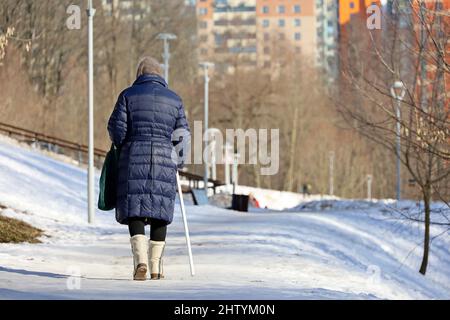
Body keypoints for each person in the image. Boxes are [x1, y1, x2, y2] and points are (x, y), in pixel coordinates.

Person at [107, 56, 190, 281]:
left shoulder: (127, 95)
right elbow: (182, 134)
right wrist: (180, 160)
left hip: (133, 156)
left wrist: (123, 143)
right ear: (160, 74)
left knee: (135, 206)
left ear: (139, 74)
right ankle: (156, 267)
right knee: (160, 209)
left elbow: (116, 130)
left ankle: (140, 261)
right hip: (165, 158)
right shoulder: (174, 99)